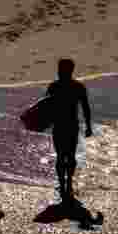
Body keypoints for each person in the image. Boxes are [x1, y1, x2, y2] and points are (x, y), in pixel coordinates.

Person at [46, 58, 93, 204]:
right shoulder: (78, 87)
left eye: (61, 69)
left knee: (61, 156)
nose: (60, 72)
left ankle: (63, 184)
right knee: (69, 156)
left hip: (59, 126)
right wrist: (88, 126)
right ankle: (68, 184)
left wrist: (43, 123)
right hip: (71, 126)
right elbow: (85, 107)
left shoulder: (54, 86)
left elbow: (45, 107)